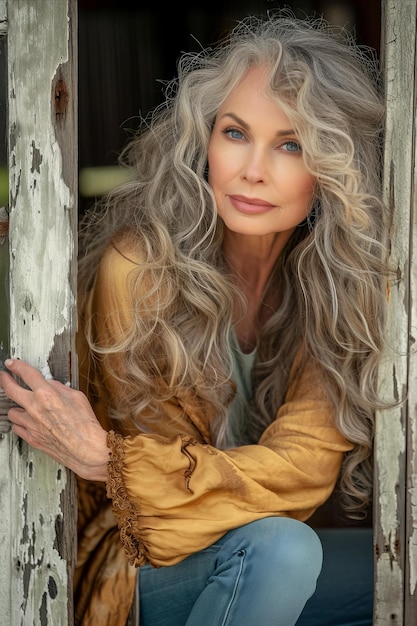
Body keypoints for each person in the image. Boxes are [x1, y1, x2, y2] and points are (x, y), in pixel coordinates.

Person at [0, 12, 389, 626]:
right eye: (236, 134)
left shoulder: (330, 290)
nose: (252, 169)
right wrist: (119, 471)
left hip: (250, 555)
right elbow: (167, 522)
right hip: (131, 560)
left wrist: (110, 457)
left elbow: (305, 471)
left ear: (333, 170)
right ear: (204, 138)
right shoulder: (140, 271)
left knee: (393, 565)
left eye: (291, 144)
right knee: (286, 549)